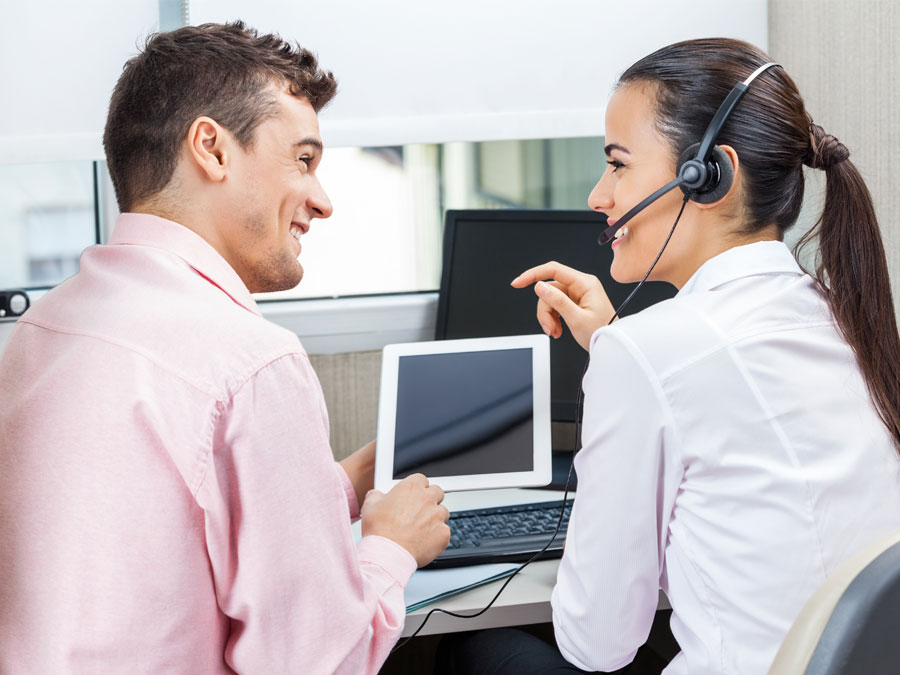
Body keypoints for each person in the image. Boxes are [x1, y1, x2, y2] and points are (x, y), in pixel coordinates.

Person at [435, 37, 900, 675]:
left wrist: (624, 364)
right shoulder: (839, 316)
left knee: (477, 649)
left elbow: (596, 643)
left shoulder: (650, 353)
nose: (599, 195)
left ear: (710, 175)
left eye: (618, 164)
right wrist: (617, 350)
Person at [0, 22, 451, 674]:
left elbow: (151, 536)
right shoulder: (252, 361)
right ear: (211, 148)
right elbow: (315, 663)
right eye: (303, 159)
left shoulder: (45, 329)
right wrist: (389, 547)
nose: (322, 200)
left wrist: (338, 487)